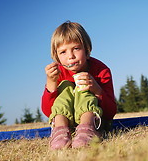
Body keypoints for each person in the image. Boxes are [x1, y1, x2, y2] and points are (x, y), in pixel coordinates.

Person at [41, 21, 117, 150]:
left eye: (76, 48)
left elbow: (110, 112)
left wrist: (97, 90)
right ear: (57, 57)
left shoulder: (101, 70)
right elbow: (48, 112)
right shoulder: (57, 73)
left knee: (83, 86)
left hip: (96, 122)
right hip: (68, 124)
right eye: (63, 52)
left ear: (87, 50)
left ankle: (87, 128)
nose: (70, 56)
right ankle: (59, 131)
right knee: (66, 86)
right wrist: (51, 84)